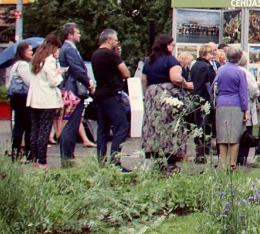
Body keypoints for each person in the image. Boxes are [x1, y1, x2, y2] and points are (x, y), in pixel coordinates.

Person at [141, 33, 194, 169]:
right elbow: (175, 78)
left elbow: (144, 80)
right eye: (172, 44)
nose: (174, 46)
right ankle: (171, 161)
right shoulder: (171, 61)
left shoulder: (149, 61)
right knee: (170, 126)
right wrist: (187, 84)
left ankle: (156, 159)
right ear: (166, 45)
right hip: (167, 96)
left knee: (154, 126)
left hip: (152, 95)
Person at [90, 29, 132, 169]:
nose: (117, 42)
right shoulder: (111, 54)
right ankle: (115, 162)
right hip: (112, 94)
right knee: (121, 126)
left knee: (103, 128)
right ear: (108, 40)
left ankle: (101, 162)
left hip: (100, 94)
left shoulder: (95, 54)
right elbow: (126, 73)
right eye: (115, 40)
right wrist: (118, 56)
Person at [26, 34, 64, 169]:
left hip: (34, 99)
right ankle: (42, 161)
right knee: (44, 130)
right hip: (47, 100)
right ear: (53, 47)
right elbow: (53, 81)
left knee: (35, 130)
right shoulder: (50, 60)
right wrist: (60, 74)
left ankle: (35, 159)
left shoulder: (35, 59)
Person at [57, 23, 94, 164]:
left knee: (72, 121)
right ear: (70, 34)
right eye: (77, 33)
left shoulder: (67, 48)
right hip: (74, 90)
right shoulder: (69, 50)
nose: (79, 35)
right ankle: (67, 156)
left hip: (70, 88)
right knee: (72, 122)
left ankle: (68, 155)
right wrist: (88, 81)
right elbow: (77, 69)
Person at [214, 45, 251, 170]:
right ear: (239, 57)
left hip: (221, 103)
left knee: (222, 135)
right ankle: (232, 163)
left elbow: (214, 87)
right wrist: (246, 110)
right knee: (235, 136)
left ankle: (222, 163)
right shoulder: (240, 72)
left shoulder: (220, 70)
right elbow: (243, 93)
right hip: (235, 104)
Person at [189, 43, 218, 162]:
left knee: (198, 124)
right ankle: (202, 151)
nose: (212, 56)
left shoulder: (195, 65)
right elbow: (209, 84)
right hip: (204, 99)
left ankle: (200, 151)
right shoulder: (206, 66)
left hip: (196, 98)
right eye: (211, 53)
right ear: (205, 54)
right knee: (204, 125)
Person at [6, 42, 34, 161]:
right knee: (26, 126)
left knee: (19, 125)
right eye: (30, 50)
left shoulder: (15, 64)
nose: (32, 53)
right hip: (22, 98)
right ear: (23, 52)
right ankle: (27, 153)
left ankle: (16, 152)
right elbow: (30, 81)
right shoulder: (22, 65)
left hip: (16, 98)